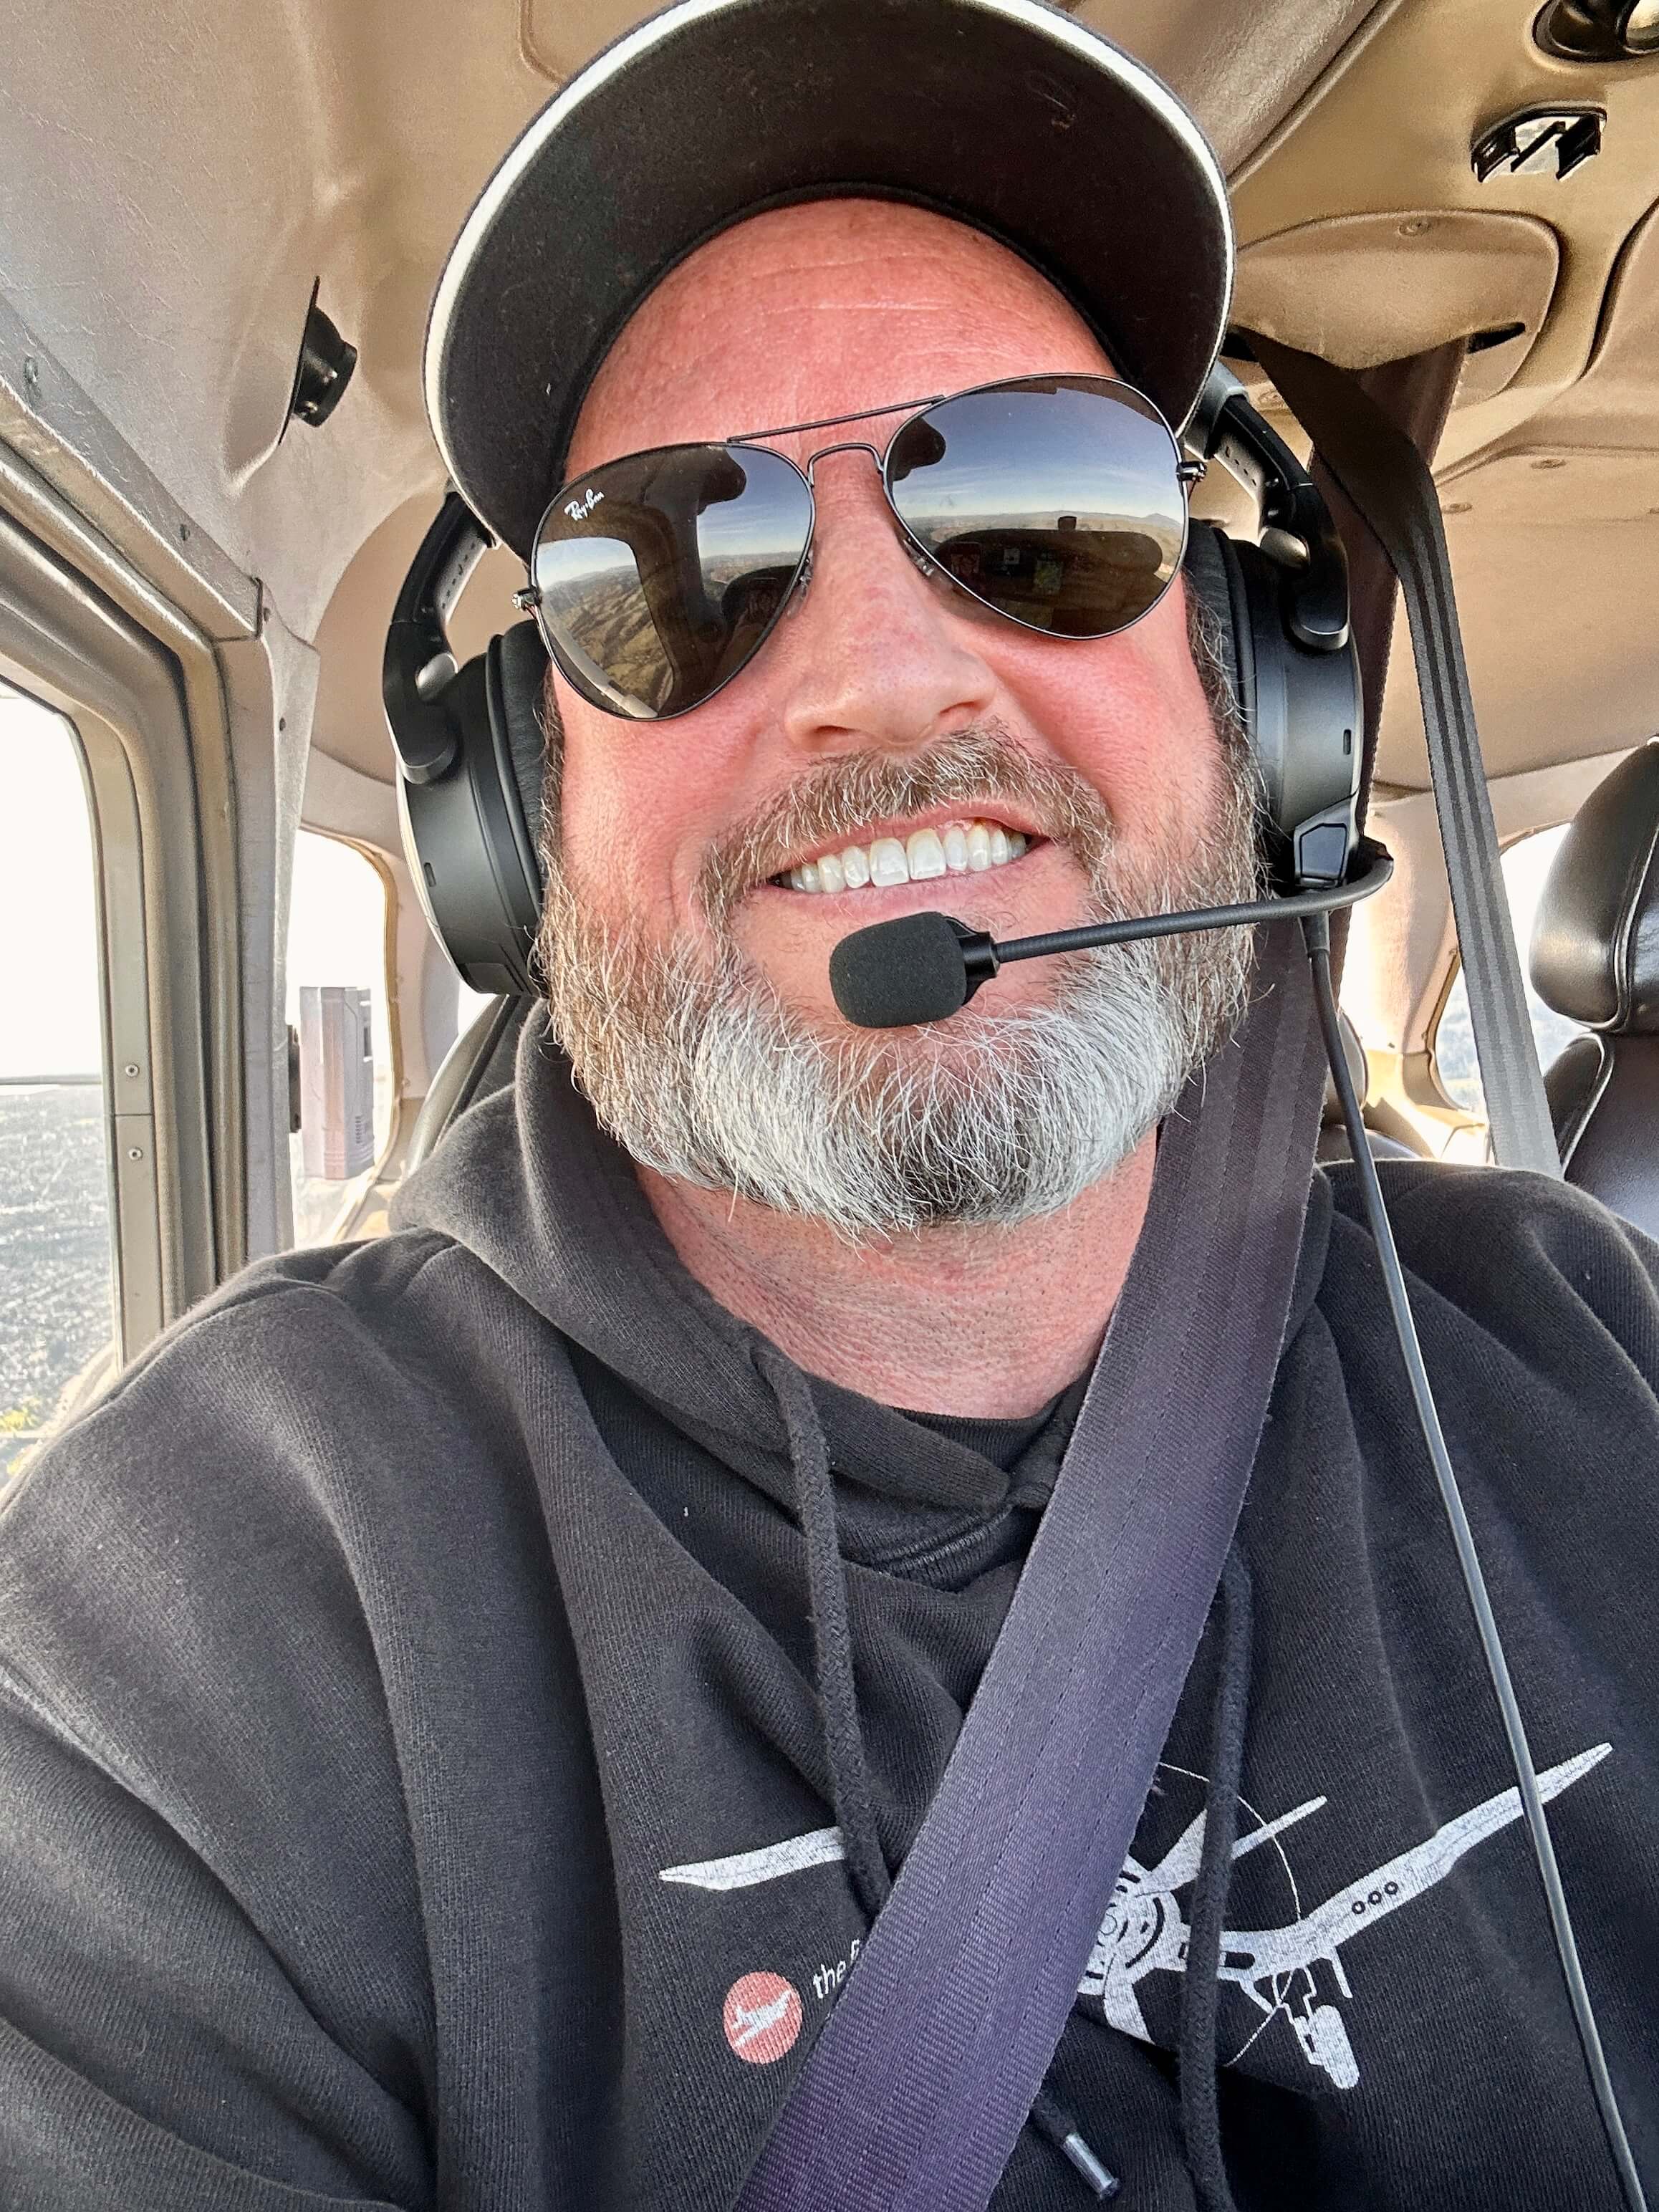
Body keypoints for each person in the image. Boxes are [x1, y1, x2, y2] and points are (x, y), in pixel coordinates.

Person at [1, 4, 1655, 2208]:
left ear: (1246, 692)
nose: (882, 680)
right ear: (518, 810)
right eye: (672, 569)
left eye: (1043, 512)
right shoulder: (190, 1629)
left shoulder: (1578, 1349)